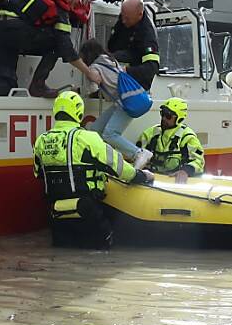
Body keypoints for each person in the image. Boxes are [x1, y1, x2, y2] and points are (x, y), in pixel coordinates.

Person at [0, 0, 101, 121]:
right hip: (16, 31)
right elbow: (66, 48)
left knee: (7, 83)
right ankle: (38, 85)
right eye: (74, 3)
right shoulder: (59, 1)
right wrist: (88, 72)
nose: (72, 7)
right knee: (57, 41)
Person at [33, 91, 154, 249]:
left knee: (64, 252)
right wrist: (140, 176)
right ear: (78, 112)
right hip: (86, 210)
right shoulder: (87, 138)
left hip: (56, 213)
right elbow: (119, 167)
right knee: (101, 251)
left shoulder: (41, 141)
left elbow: (38, 173)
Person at [79, 39, 152, 169]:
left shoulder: (94, 67)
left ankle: (138, 153)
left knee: (110, 133)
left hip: (125, 102)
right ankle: (102, 158)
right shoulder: (111, 60)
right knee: (95, 130)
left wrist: (85, 77)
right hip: (125, 100)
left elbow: (93, 89)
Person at [89, 0, 161, 90]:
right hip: (116, 51)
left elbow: (152, 67)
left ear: (139, 15)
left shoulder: (147, 36)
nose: (123, 21)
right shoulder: (131, 3)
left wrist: (126, 71)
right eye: (122, 16)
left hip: (131, 73)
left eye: (127, 18)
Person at [136, 98, 205, 183]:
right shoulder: (149, 134)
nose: (164, 118)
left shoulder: (187, 137)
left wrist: (185, 171)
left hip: (173, 181)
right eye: (162, 113)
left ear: (179, 119)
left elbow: (198, 161)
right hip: (150, 179)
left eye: (168, 116)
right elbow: (136, 156)